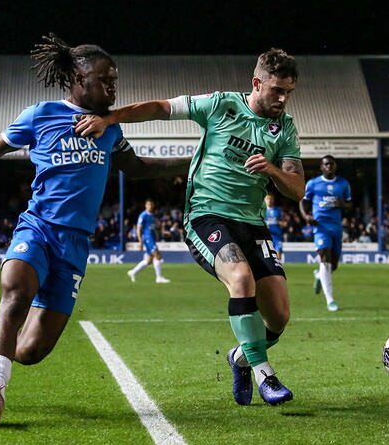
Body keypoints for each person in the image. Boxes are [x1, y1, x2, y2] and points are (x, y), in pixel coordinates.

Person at [0, 33, 188, 426]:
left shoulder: (110, 129)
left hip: (75, 244)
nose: (113, 88)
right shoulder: (41, 114)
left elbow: (138, 168)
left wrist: (193, 161)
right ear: (79, 78)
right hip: (37, 228)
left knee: (30, 350)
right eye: (105, 80)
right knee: (15, 295)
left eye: (115, 81)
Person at [76, 47, 304, 406]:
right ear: (257, 83)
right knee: (241, 279)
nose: (282, 99)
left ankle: (241, 357)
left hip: (253, 223)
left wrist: (272, 169)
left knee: (279, 317)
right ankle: (265, 374)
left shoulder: (285, 128)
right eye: (277, 90)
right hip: (207, 215)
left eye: (288, 92)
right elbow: (160, 108)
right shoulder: (220, 105)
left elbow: (297, 188)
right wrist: (109, 118)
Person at [299, 155, 351, 312]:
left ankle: (318, 275)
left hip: (336, 226)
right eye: (326, 164)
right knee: (325, 260)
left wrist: (342, 204)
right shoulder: (313, 183)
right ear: (321, 167)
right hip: (320, 226)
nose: (329, 166)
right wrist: (306, 216)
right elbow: (303, 200)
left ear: (335, 166)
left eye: (331, 164)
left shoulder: (343, 184)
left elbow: (350, 204)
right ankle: (330, 301)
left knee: (333, 265)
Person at [127, 199, 170, 283]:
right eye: (149, 204)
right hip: (147, 238)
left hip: (151, 237)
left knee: (149, 260)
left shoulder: (152, 216)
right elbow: (138, 228)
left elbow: (154, 227)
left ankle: (133, 272)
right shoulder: (143, 215)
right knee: (158, 255)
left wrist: (161, 230)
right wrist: (140, 241)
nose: (150, 206)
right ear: (145, 205)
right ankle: (159, 278)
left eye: (152, 204)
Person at [265, 193, 285, 262]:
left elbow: (282, 220)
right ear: (264, 200)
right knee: (268, 255)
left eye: (271, 199)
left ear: (273, 200)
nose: (269, 200)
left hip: (278, 236)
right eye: (268, 199)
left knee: (278, 254)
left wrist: (283, 223)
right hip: (267, 236)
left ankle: (279, 266)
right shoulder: (262, 210)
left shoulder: (278, 210)